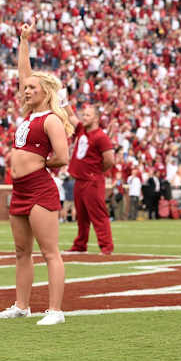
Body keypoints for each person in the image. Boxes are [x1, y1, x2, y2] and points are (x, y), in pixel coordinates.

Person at [0, 19, 72, 325]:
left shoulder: (51, 119)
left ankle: (55, 310)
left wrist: (41, 166)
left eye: (31, 88)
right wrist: (23, 39)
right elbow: (23, 72)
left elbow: (62, 157)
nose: (25, 90)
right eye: (24, 88)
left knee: (49, 251)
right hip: (20, 190)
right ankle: (21, 305)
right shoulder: (28, 113)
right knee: (21, 252)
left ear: (44, 92)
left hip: (39, 188)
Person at [64, 103, 115, 254]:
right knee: (82, 216)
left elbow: (109, 159)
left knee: (98, 215)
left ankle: (106, 247)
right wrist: (63, 101)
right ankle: (80, 244)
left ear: (96, 118)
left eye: (88, 115)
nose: (84, 117)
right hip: (79, 180)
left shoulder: (100, 137)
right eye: (84, 114)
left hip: (92, 180)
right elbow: (71, 116)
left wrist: (97, 171)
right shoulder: (81, 130)